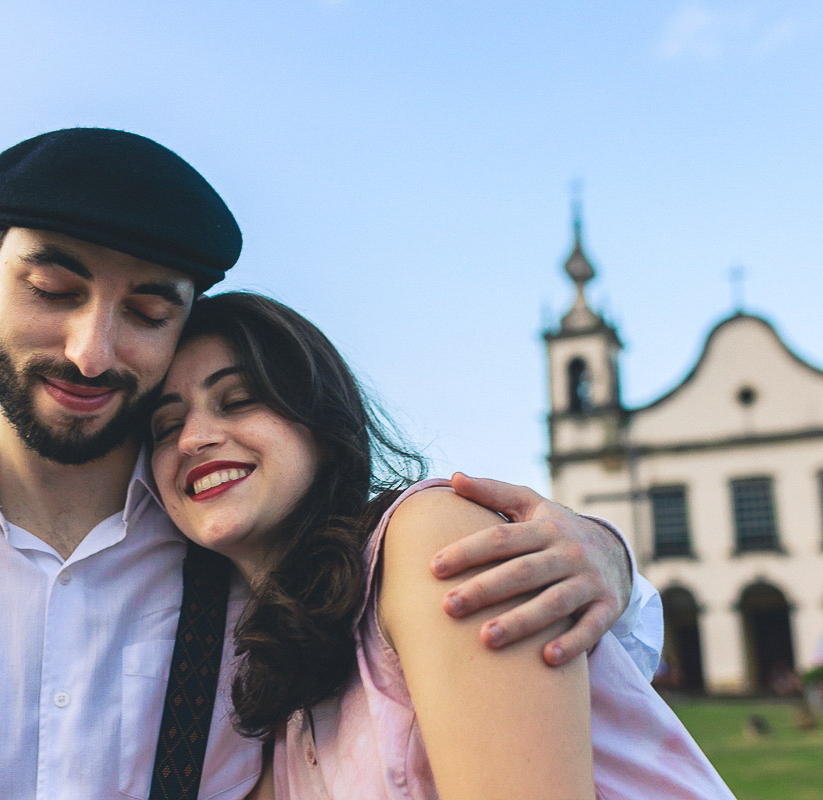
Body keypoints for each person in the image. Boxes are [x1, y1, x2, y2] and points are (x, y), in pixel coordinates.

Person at [0, 128, 662, 799]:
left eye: (147, 311)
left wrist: (607, 558)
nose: (90, 351)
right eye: (53, 290)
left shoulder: (248, 560)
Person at [149, 292, 734, 799]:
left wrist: (612, 553)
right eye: (166, 427)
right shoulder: (274, 667)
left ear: (321, 426)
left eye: (238, 400)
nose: (193, 438)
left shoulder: (431, 540)